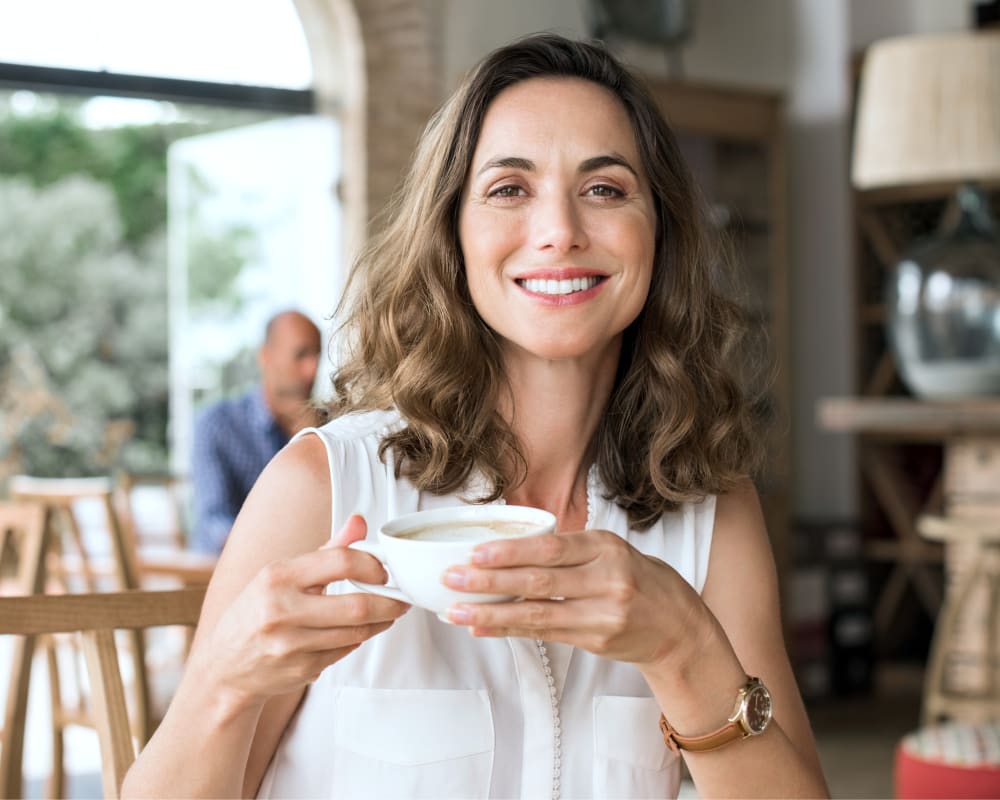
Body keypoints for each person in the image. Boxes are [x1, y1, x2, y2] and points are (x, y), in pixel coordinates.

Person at [124, 34, 829, 799]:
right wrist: (221, 687)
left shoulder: (710, 512)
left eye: (605, 189)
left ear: (659, 233)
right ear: (451, 234)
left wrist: (685, 649)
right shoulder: (320, 487)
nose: (559, 230)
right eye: (508, 189)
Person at [189, 309, 322, 554]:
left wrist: (312, 443)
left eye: (317, 355)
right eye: (301, 355)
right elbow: (214, 523)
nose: (312, 369)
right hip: (230, 577)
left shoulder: (329, 429)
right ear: (266, 357)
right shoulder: (218, 425)